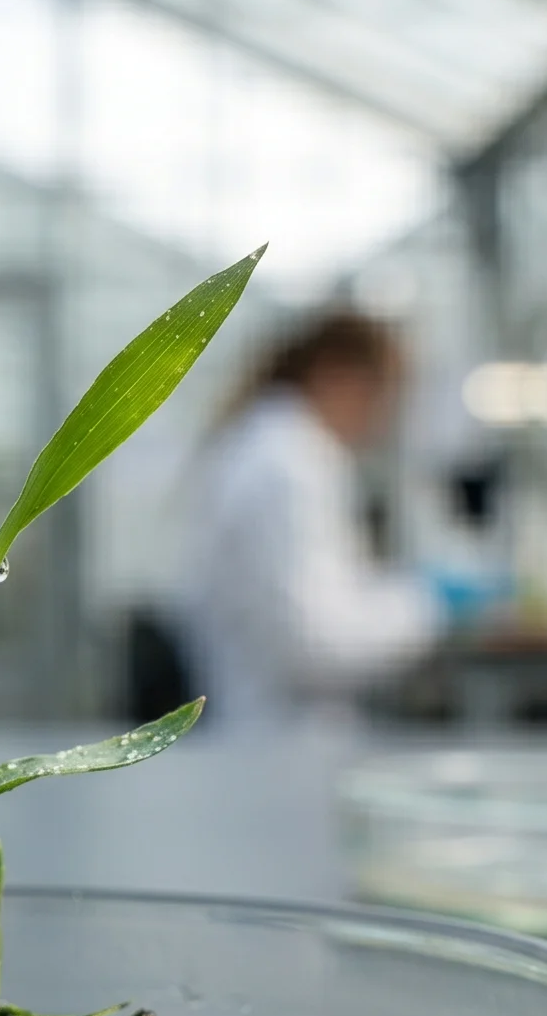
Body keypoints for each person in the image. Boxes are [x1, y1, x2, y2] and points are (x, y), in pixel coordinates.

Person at [181, 312, 442, 728]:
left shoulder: (276, 449)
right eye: (383, 398)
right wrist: (428, 604)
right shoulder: (288, 465)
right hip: (278, 736)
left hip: (268, 730)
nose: (384, 421)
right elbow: (319, 645)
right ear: (338, 375)